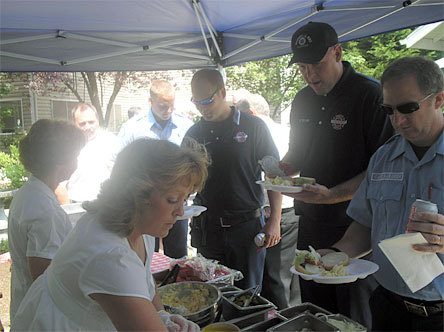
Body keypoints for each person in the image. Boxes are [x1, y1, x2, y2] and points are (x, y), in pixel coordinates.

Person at [12, 139, 209, 331]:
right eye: (172, 199)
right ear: (138, 194)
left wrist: (161, 315)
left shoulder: (139, 226)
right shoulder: (110, 255)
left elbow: (143, 282)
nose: (180, 212)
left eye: (184, 199)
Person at [281, 22, 393, 323]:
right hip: (309, 223)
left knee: (352, 317)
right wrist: (279, 170)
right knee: (315, 312)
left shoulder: (370, 95)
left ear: (337, 52)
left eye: (316, 64)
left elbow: (381, 171)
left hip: (355, 229)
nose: (310, 75)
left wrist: (332, 195)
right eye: (302, 67)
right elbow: (297, 155)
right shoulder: (302, 100)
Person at [328, 56, 444, 331]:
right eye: (389, 110)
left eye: (407, 108)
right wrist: (333, 256)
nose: (398, 120)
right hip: (387, 307)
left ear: (438, 100)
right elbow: (365, 225)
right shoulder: (383, 157)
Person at [184, 69, 282, 290]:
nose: (202, 108)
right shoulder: (193, 133)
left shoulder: (253, 127)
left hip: (246, 227)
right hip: (208, 228)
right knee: (212, 291)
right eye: (196, 102)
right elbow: (184, 178)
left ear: (222, 92)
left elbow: (274, 174)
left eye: (207, 100)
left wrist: (275, 220)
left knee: (247, 295)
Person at [8, 119, 85, 322]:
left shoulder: (29, 192)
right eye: (75, 155)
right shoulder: (45, 209)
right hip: (43, 315)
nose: (77, 161)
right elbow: (44, 275)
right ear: (60, 163)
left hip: (27, 303)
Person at [236, 93, 300, 308]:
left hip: (282, 215)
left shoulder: (266, 132)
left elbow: (276, 176)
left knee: (278, 277)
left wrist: (274, 219)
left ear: (252, 113)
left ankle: (285, 320)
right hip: (267, 214)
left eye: (241, 115)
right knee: (267, 276)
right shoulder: (281, 130)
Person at [117, 80, 193, 259]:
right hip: (144, 206)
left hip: (174, 202)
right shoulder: (133, 127)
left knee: (178, 256)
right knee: (144, 255)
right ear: (150, 102)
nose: (168, 111)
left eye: (171, 106)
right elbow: (120, 166)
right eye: (163, 106)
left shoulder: (185, 126)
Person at [56, 103, 117, 203]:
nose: (88, 127)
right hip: (76, 203)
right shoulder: (65, 147)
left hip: (107, 205)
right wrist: (69, 210)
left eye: (91, 122)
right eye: (82, 123)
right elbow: (59, 185)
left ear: (97, 121)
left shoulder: (112, 142)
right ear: (74, 123)